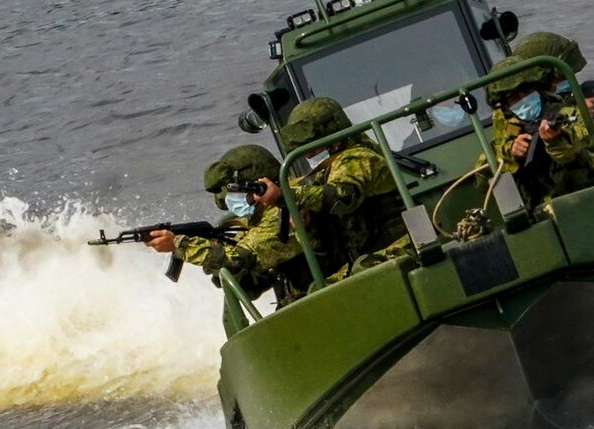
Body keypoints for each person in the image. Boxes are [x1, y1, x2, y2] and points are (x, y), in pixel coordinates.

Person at [144, 144, 314, 302]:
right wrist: (214, 246)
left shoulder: (282, 211)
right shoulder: (258, 217)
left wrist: (178, 244)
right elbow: (246, 277)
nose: (231, 198)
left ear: (258, 185)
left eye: (235, 190)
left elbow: (237, 259)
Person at [254, 97, 407, 270]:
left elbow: (341, 197)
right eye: (304, 150)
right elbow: (325, 248)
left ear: (335, 140)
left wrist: (284, 196)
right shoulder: (325, 172)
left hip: (403, 245)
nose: (308, 156)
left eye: (312, 148)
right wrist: (307, 226)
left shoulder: (359, 158)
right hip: (371, 256)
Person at [485, 54, 594, 206]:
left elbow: (590, 136)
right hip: (542, 209)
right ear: (506, 106)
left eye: (527, 91)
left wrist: (555, 141)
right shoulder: (507, 132)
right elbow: (482, 174)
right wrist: (511, 152)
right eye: (515, 97)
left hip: (588, 195)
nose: (523, 98)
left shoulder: (565, 112)